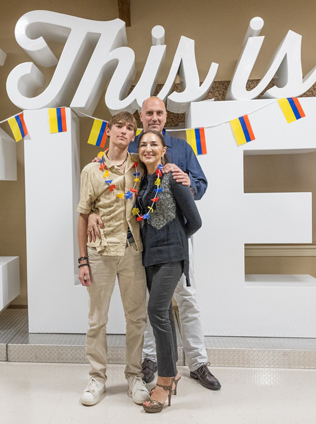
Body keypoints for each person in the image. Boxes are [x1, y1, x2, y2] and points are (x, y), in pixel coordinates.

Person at [88, 96, 221, 391]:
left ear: (165, 116)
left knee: (187, 298)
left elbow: (200, 185)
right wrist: (94, 211)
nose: (155, 117)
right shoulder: (131, 150)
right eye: (149, 113)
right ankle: (150, 359)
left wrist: (189, 182)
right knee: (150, 304)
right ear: (141, 116)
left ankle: (198, 363)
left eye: (160, 112)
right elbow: (107, 184)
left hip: (177, 238)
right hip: (143, 240)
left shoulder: (183, 149)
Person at [77, 111, 149, 406]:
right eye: (119, 126)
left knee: (137, 319)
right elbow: (83, 215)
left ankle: (134, 376)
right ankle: (97, 377)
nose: (124, 131)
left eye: (130, 128)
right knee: (97, 320)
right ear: (109, 131)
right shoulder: (91, 171)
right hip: (101, 253)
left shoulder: (141, 167)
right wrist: (82, 260)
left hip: (133, 253)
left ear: (134, 135)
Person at [135, 129, 202, 412]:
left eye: (154, 144)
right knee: (162, 314)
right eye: (143, 144)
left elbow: (195, 222)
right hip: (149, 257)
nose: (148, 148)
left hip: (172, 257)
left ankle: (163, 381)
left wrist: (175, 240)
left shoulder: (173, 178)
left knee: (156, 312)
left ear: (164, 151)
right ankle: (172, 372)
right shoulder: (142, 183)